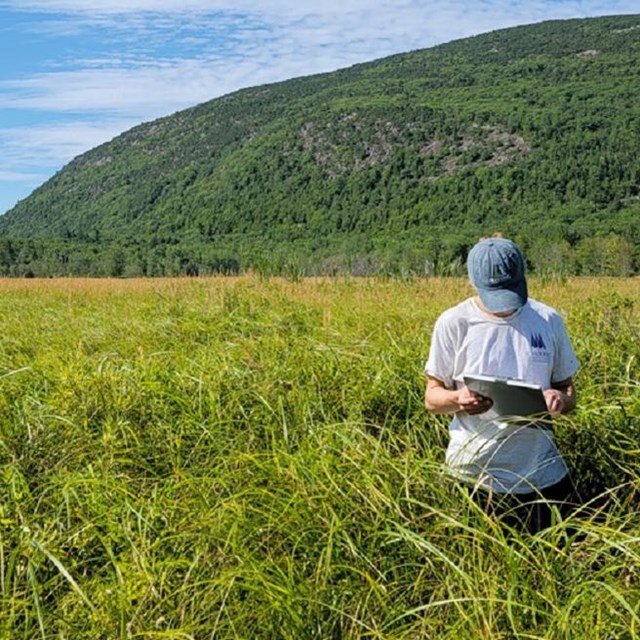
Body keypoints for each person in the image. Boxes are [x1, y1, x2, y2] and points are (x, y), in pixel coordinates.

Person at [424, 236, 580, 533]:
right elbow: (432, 398)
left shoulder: (548, 320)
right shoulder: (453, 323)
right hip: (473, 478)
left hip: (542, 476)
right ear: (473, 283)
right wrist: (459, 398)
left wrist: (560, 399)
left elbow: (569, 390)